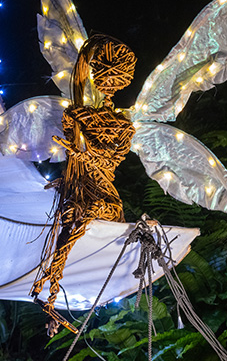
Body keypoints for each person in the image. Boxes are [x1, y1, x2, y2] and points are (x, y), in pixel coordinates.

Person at [30, 34, 137, 335]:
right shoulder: (78, 115)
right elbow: (89, 149)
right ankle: (50, 292)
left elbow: (110, 163)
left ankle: (54, 291)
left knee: (90, 220)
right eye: (108, 77)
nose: (110, 87)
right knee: (70, 220)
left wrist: (82, 152)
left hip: (102, 192)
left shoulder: (123, 127)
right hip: (79, 187)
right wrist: (80, 152)